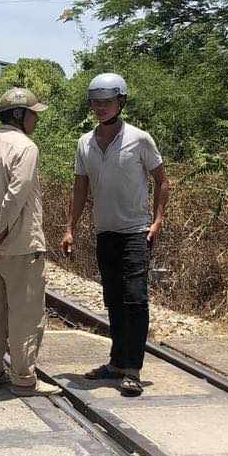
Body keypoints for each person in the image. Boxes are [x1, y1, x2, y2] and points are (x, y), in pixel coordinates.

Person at [60, 73, 170, 397]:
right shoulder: (85, 143)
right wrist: (70, 228)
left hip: (136, 231)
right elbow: (80, 188)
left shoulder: (140, 139)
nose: (100, 108)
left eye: (107, 102)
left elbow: (162, 181)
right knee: (114, 301)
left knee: (135, 299)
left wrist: (158, 221)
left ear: (120, 102)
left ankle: (133, 368)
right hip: (104, 232)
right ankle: (116, 362)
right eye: (95, 103)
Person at [0, 88, 55, 397]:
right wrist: (0, 228)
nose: (36, 119)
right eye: (33, 113)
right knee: (26, 315)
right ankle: (23, 379)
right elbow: (16, 196)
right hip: (20, 245)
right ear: (20, 115)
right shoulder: (26, 147)